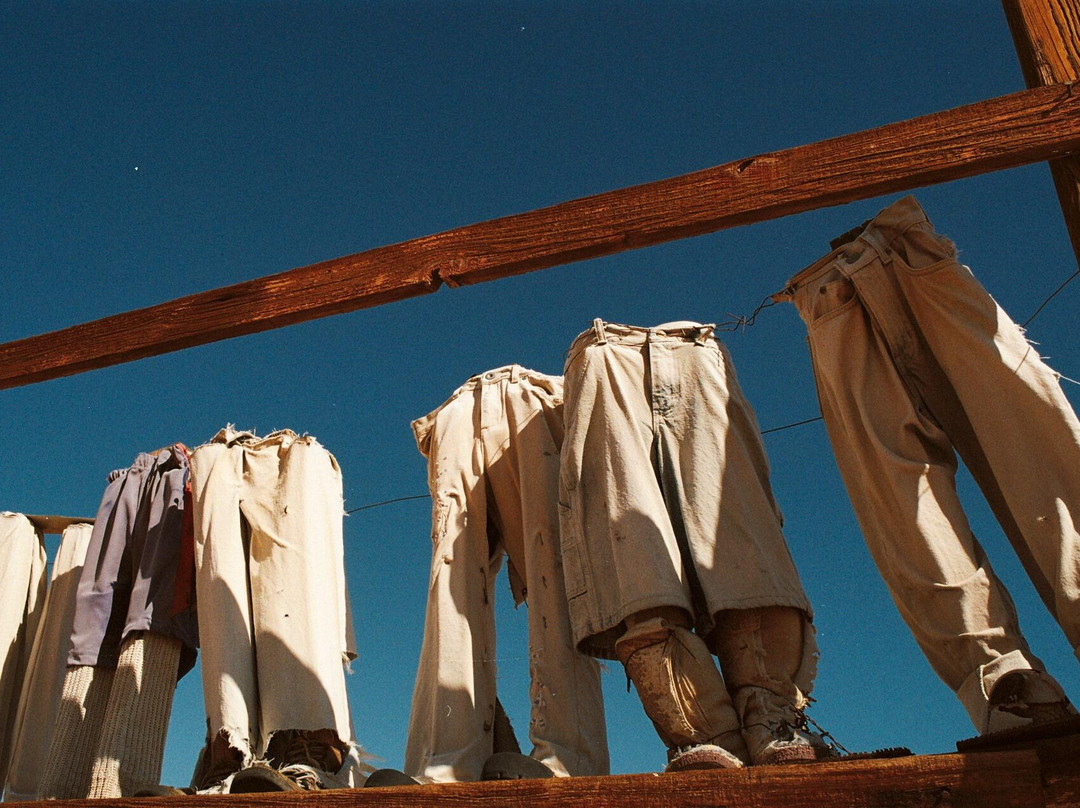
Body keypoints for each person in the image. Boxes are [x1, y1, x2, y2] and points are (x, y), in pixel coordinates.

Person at [558, 319, 828, 771]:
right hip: (600, 355)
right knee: (634, 556)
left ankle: (773, 719)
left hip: (697, 349)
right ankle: (701, 734)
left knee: (742, 536)